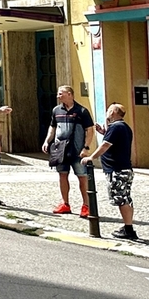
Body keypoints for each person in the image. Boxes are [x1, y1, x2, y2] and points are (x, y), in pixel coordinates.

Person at [85, 103, 137, 241]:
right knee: (126, 198)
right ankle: (128, 227)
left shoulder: (115, 127)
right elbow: (115, 142)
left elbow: (105, 145)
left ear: (113, 112)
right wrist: (104, 132)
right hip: (124, 168)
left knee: (121, 199)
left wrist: (91, 157)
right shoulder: (123, 127)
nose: (107, 112)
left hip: (117, 169)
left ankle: (129, 229)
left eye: (109, 110)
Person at [43, 85, 94, 217]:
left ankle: (86, 205)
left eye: (61, 93)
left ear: (70, 94)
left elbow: (90, 130)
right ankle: (65, 204)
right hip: (60, 150)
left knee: (82, 177)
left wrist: (86, 147)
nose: (58, 96)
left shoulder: (82, 111)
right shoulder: (56, 110)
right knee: (62, 175)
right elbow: (52, 127)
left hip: (77, 151)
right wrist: (47, 141)